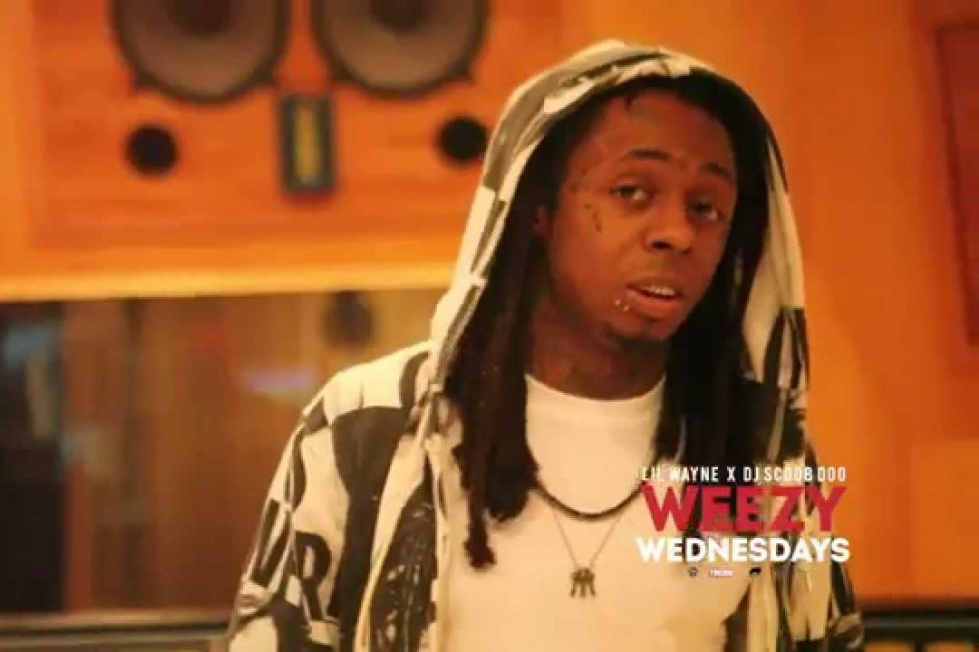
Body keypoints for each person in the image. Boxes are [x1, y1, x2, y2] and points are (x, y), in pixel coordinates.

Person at [226, 39, 863, 651]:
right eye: (632, 192)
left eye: (707, 207)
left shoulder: (759, 450)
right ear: (538, 209)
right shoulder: (370, 425)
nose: (677, 231)